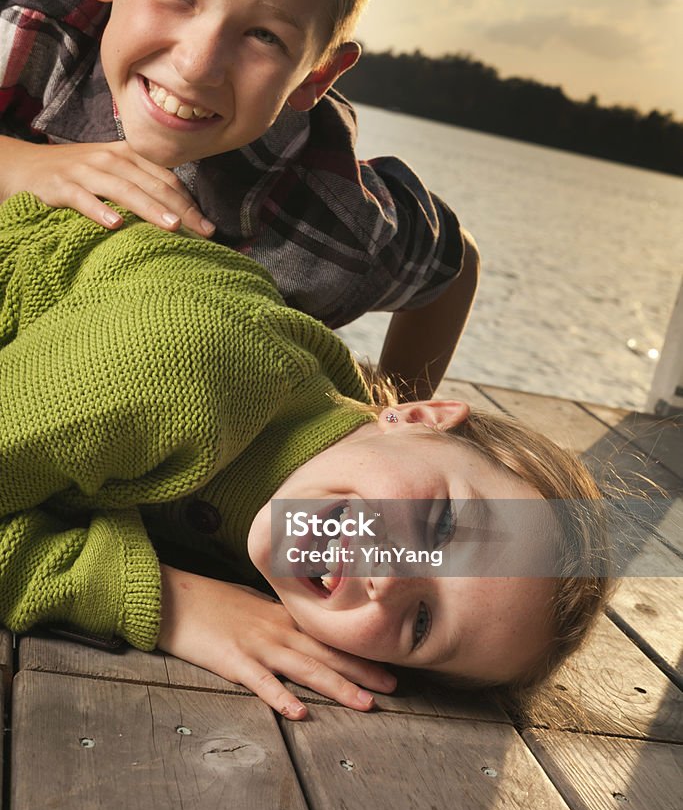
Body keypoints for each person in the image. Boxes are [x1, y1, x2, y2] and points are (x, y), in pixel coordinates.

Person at [0, 192, 610, 719]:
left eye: (421, 622)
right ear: (418, 417)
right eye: (442, 521)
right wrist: (167, 603)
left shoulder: (306, 505)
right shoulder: (188, 365)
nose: (389, 578)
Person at [0, 0, 480, 401]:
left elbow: (452, 269)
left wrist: (398, 412)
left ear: (315, 76)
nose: (198, 65)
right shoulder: (34, 26)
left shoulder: (314, 214)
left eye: (264, 36)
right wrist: (19, 164)